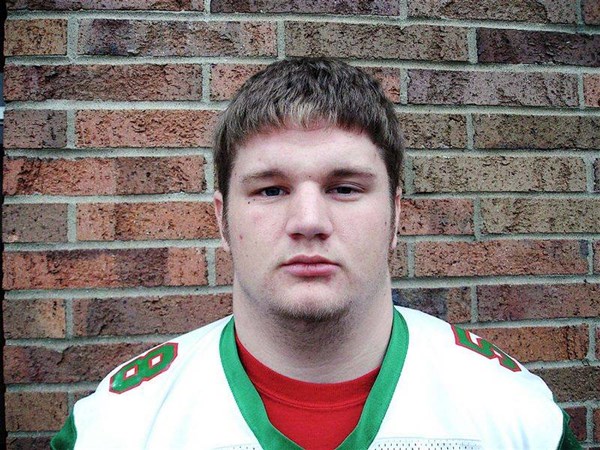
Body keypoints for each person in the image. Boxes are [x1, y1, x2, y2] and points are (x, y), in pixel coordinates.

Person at [51, 58, 580, 450]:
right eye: (270, 190)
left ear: (396, 215)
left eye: (344, 188)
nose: (308, 221)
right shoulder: (116, 427)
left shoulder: (515, 419)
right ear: (222, 219)